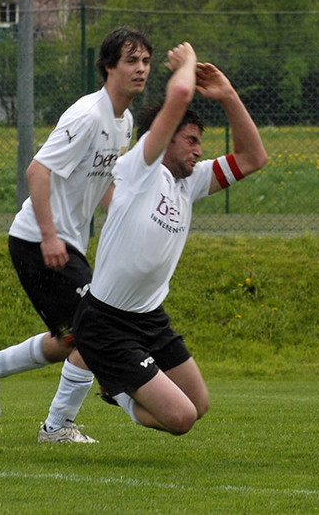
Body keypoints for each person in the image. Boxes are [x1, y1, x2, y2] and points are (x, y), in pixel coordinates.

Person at [0, 27, 150, 443]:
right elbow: (38, 171)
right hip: (38, 240)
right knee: (94, 331)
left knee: (68, 339)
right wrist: (50, 237)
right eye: (131, 61)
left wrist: (130, 219)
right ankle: (57, 426)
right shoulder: (87, 115)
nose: (141, 69)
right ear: (108, 68)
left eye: (146, 62)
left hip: (66, 244)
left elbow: (102, 182)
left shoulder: (125, 122)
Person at [71, 42, 267, 436]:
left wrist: (228, 94)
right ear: (164, 139)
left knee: (199, 404)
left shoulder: (190, 181)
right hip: (106, 322)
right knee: (181, 419)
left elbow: (253, 158)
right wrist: (188, 64)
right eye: (190, 140)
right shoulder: (140, 167)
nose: (199, 150)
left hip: (150, 318)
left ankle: (120, 385)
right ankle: (118, 391)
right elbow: (178, 94)